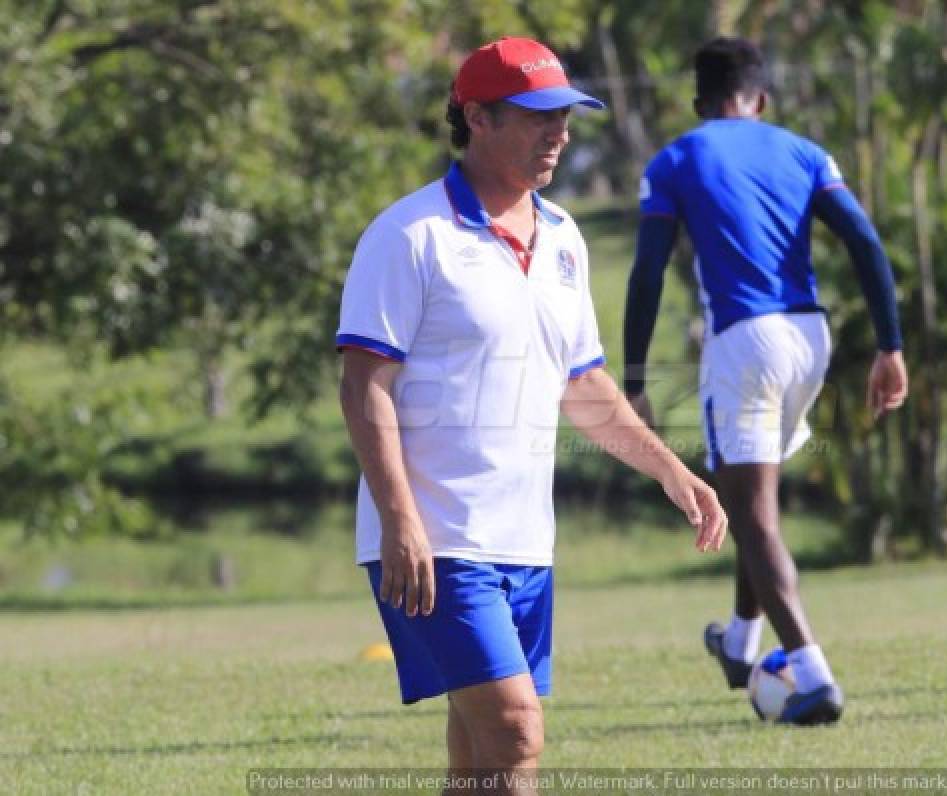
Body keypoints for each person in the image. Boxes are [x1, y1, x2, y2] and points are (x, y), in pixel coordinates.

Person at [336, 37, 727, 787]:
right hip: (438, 538)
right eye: (538, 116)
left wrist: (671, 470)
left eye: (566, 117)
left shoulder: (565, 241)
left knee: (478, 748)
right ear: (477, 118)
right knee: (516, 730)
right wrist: (401, 520)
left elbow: (582, 384)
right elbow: (363, 388)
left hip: (525, 540)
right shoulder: (410, 235)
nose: (561, 133)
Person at [623, 37, 907, 725]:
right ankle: (740, 640)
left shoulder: (677, 158)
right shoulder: (804, 152)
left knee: (753, 519)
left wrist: (634, 377)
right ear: (763, 99)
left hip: (743, 344)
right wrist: (890, 346)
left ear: (699, 104)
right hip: (811, 339)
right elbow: (865, 242)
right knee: (757, 506)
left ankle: (813, 674)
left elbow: (649, 270)